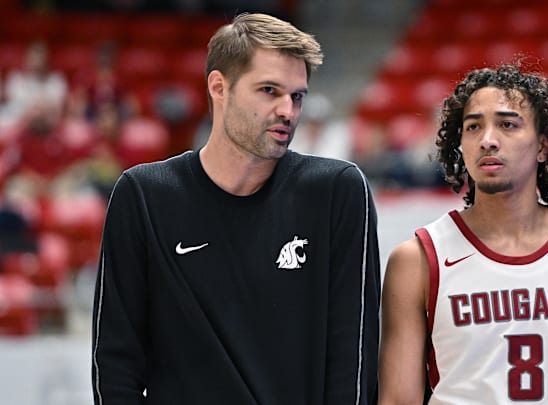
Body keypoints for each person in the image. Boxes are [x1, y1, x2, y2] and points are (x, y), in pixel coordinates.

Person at [91, 13, 380, 405]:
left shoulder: (337, 192)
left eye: (297, 96)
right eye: (268, 91)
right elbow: (115, 366)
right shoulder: (144, 195)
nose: (288, 111)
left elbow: (353, 362)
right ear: (218, 87)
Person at [378, 64, 548, 404]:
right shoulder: (416, 259)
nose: (488, 140)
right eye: (473, 127)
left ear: (543, 146)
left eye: (507, 125)